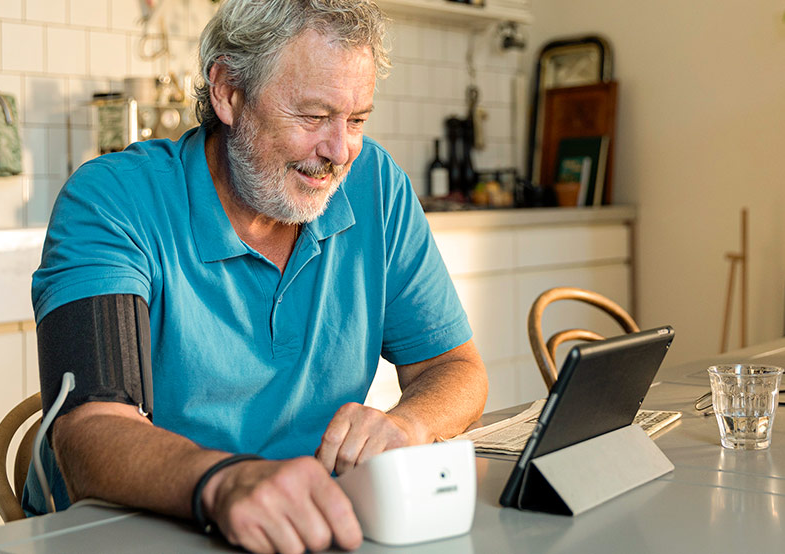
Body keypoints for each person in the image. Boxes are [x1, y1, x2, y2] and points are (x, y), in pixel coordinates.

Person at [24, 1, 488, 552]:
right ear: (227, 91)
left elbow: (456, 368)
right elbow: (88, 431)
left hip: (307, 527)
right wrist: (228, 482)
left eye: (357, 120)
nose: (338, 152)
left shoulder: (375, 185)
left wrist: (408, 424)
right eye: (314, 117)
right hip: (130, 531)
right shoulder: (114, 200)